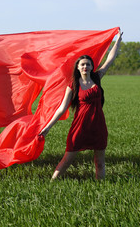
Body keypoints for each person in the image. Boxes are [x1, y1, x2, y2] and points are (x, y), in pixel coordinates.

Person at [39, 30, 123, 181]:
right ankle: (51, 184)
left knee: (100, 162)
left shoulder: (97, 78)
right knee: (67, 160)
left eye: (88, 64)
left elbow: (109, 60)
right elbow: (61, 109)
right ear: (78, 67)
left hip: (98, 125)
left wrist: (117, 41)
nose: (86, 67)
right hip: (80, 127)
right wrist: (47, 127)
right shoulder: (73, 85)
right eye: (82, 64)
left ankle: (101, 187)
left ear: (92, 67)